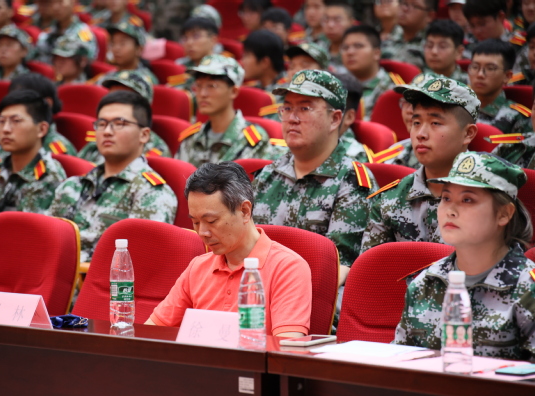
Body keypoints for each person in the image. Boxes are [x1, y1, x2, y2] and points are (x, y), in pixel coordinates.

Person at [394, 152, 535, 361]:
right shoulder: (425, 282)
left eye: (467, 200)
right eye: (446, 198)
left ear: (504, 213)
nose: (450, 210)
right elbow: (398, 363)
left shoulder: (528, 288)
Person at [145, 162, 312, 337]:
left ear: (245, 211)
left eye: (211, 221)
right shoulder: (198, 267)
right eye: (195, 222)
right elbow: (150, 333)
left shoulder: (288, 268)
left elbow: (286, 347)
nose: (202, 232)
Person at [253, 70, 378, 281]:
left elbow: (339, 268)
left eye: (305, 108)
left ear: (335, 119)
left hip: (313, 294)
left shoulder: (351, 181)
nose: (292, 119)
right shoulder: (267, 175)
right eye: (287, 108)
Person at [50, 91, 177, 263]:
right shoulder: (73, 186)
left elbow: (136, 259)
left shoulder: (152, 193)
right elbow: (49, 241)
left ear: (144, 135)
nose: (107, 132)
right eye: (101, 124)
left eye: (119, 123)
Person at [360, 76, 479, 253]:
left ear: (468, 133)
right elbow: (372, 267)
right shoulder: (389, 200)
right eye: (416, 123)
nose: (420, 134)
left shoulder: (490, 199)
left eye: (435, 123)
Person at [0, 90, 66, 241]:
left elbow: (33, 238)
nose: (6, 129)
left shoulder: (50, 178)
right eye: (1, 121)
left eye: (16, 121)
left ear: (41, 129)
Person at [175, 55, 285, 167]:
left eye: (212, 86)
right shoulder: (192, 139)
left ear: (233, 91)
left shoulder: (250, 141)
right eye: (198, 86)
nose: (202, 94)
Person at [80, 71, 171, 162]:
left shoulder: (155, 150)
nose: (115, 102)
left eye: (125, 98)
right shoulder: (100, 139)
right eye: (112, 95)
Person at [341, 25, 404, 120]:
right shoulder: (337, 85)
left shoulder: (393, 90)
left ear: (377, 53)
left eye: (358, 46)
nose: (350, 52)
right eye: (345, 47)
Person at [470, 39, 533, 134]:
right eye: (475, 67)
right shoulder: (456, 107)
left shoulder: (518, 118)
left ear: (507, 76)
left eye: (490, 68)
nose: (480, 74)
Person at [9, 73, 78, 155]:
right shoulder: (7, 138)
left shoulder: (56, 149)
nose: (14, 106)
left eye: (23, 100)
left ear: (47, 103)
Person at [34, 0, 97, 65]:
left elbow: (88, 62)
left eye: (61, 2)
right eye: (52, 3)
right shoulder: (46, 34)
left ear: (73, 2)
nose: (56, 7)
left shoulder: (82, 33)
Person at [381, 0, 436, 68]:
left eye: (415, 6)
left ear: (430, 15)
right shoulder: (389, 38)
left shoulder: (433, 46)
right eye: (404, 3)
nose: (404, 9)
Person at [241, 30, 287, 95]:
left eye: (247, 56)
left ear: (265, 62)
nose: (242, 61)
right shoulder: (255, 88)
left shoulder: (287, 92)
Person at [423, 19, 469, 84]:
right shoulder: (419, 81)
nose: (434, 52)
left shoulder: (469, 84)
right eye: (429, 45)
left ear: (459, 52)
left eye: (442, 46)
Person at [322, 1, 356, 72]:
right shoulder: (318, 48)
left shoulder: (356, 53)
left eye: (337, 20)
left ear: (351, 22)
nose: (330, 25)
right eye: (326, 19)